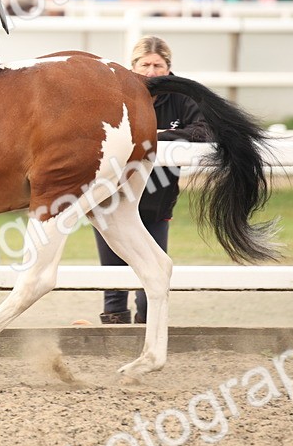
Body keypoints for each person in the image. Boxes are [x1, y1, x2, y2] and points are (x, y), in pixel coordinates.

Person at [76, 36, 210, 325]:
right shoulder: (115, 94)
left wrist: (155, 138)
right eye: (145, 65)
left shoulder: (183, 98)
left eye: (158, 65)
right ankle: (113, 335)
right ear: (133, 66)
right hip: (112, 197)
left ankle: (147, 330)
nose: (151, 71)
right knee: (113, 284)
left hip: (157, 202)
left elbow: (203, 131)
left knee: (150, 278)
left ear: (168, 68)